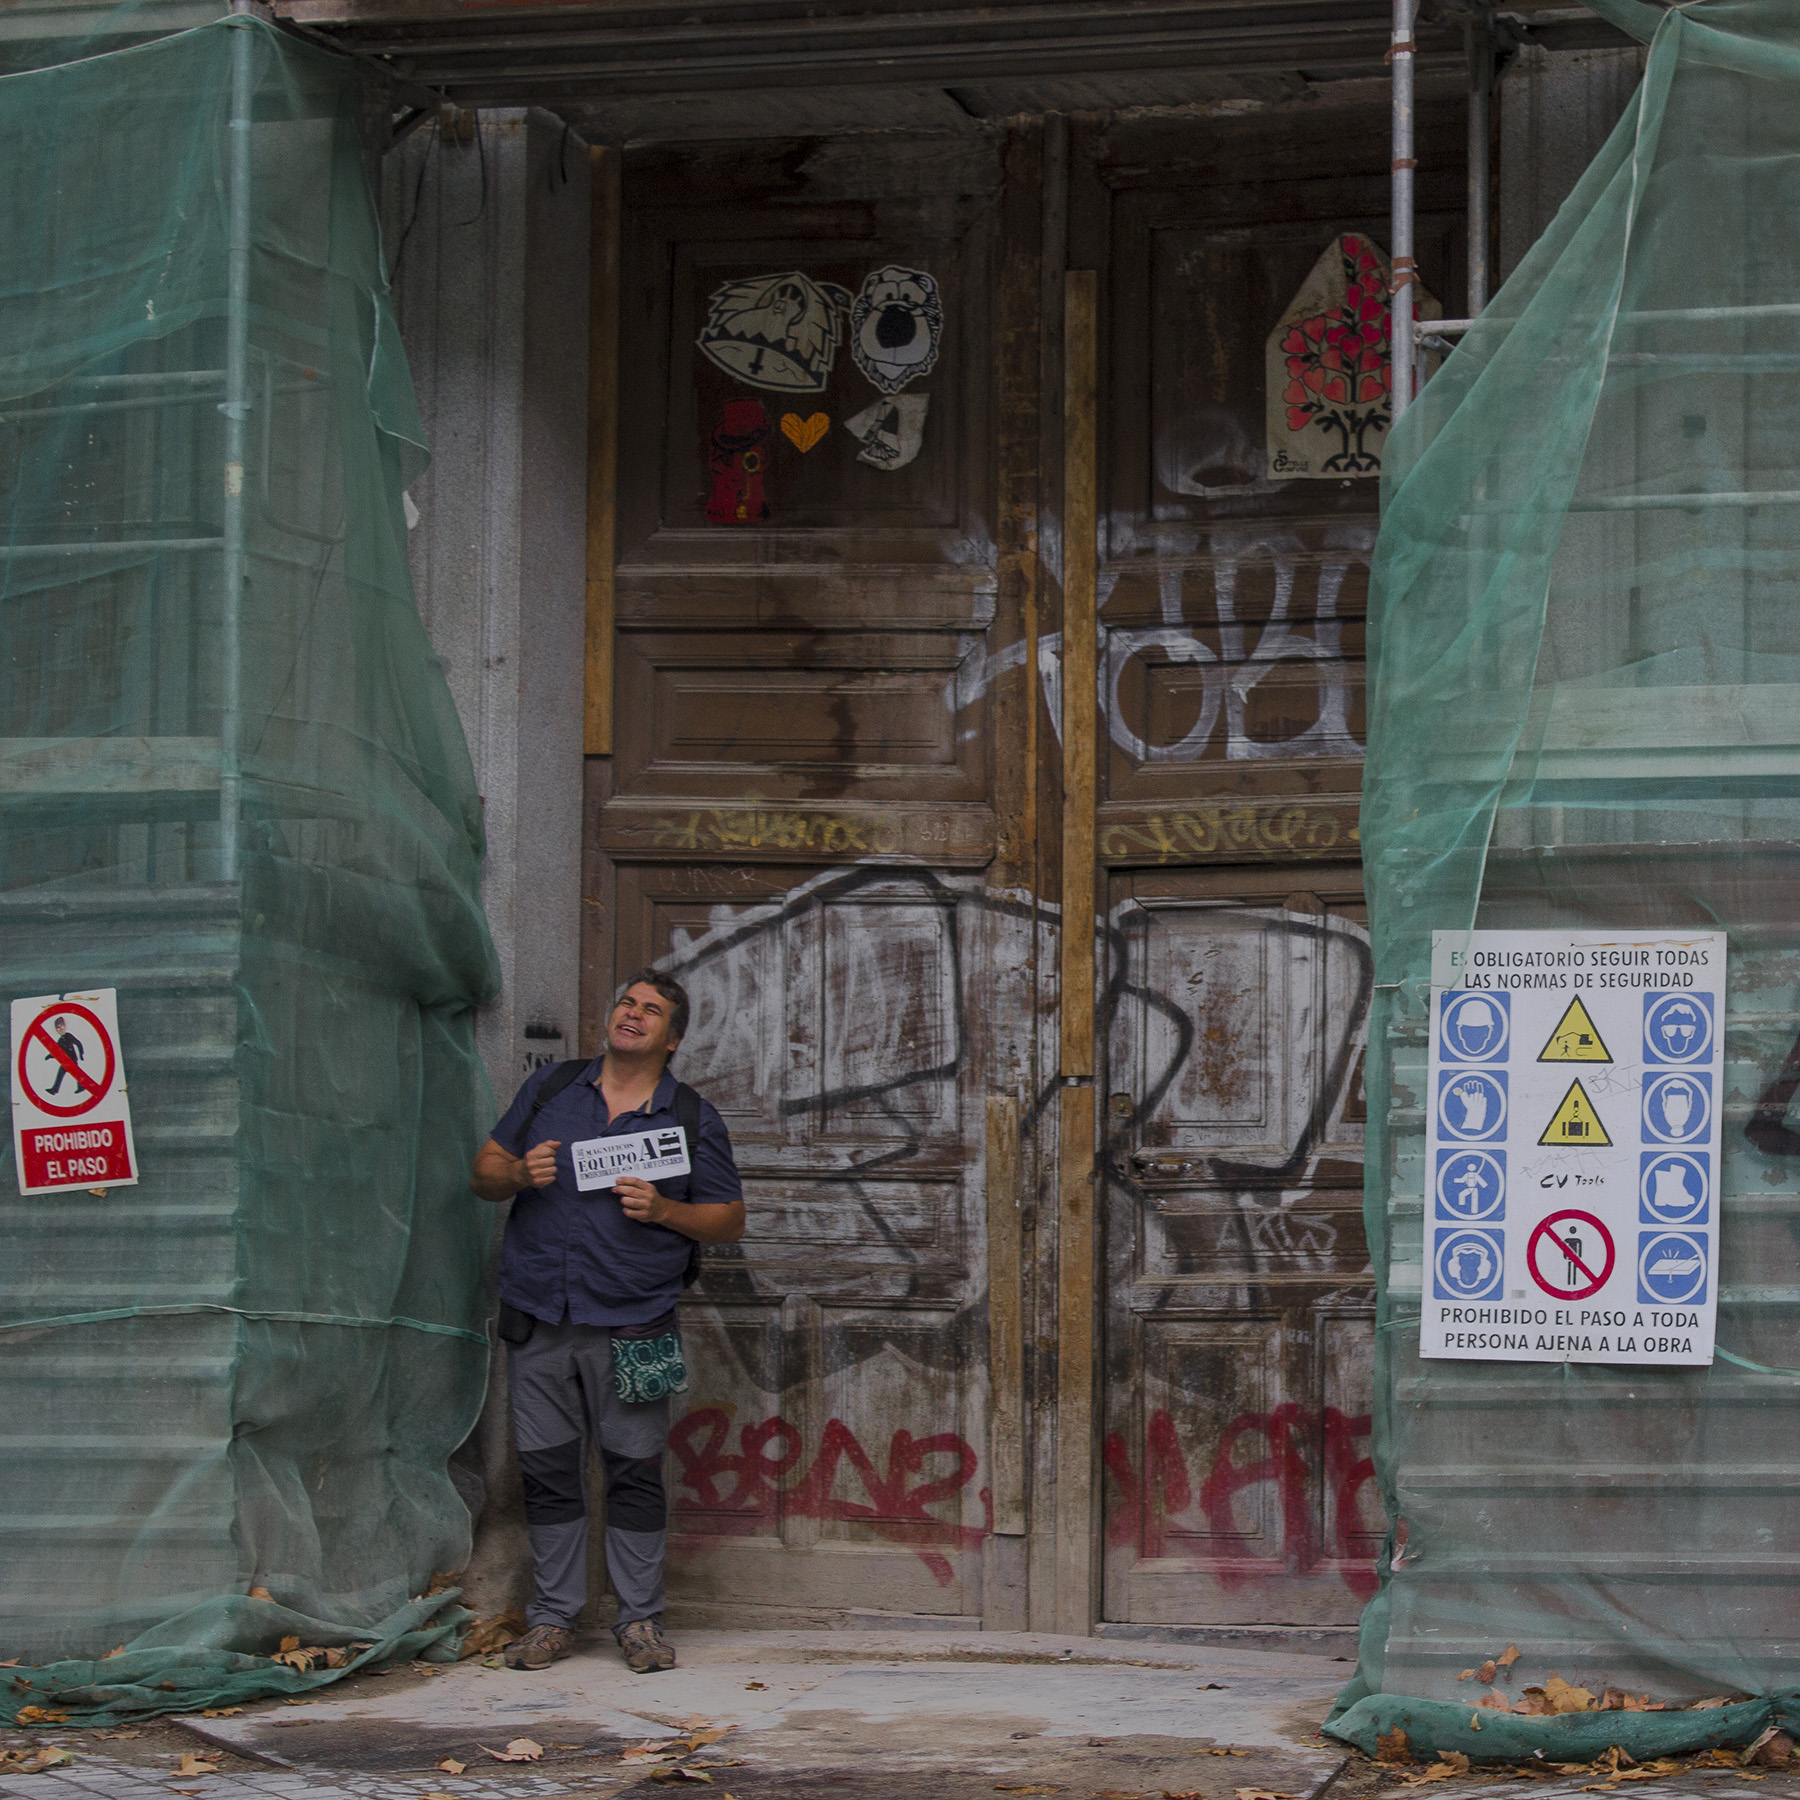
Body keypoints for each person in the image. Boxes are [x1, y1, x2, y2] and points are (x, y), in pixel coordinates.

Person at [469, 970, 745, 1674]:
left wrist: (664, 1212)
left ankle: (640, 1623)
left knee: (634, 1473)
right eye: (626, 1001)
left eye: (651, 1010)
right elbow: (483, 1173)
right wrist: (517, 1177)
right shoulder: (553, 1090)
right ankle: (553, 1619)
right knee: (549, 1474)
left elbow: (727, 1219)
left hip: (636, 1325)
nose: (633, 1014)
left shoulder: (689, 1117)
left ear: (672, 1038)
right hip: (539, 1318)